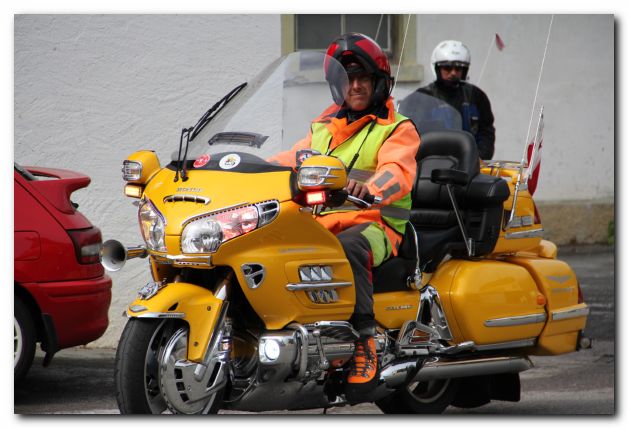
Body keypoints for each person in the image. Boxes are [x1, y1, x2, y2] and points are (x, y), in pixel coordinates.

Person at [269, 33, 420, 401]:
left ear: (377, 83)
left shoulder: (396, 127)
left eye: (362, 79)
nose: (355, 86)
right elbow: (293, 160)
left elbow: (397, 170)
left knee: (349, 247)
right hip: (320, 226)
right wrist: (247, 169)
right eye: (347, 79)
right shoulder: (323, 127)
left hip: (376, 225)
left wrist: (372, 188)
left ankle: (365, 343)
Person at [417, 40, 495, 159]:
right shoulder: (423, 97)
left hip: (469, 164)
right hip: (431, 165)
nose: (453, 73)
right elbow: (413, 134)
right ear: (437, 68)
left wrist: (479, 157)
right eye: (447, 68)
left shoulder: (477, 96)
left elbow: (486, 131)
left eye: (459, 69)